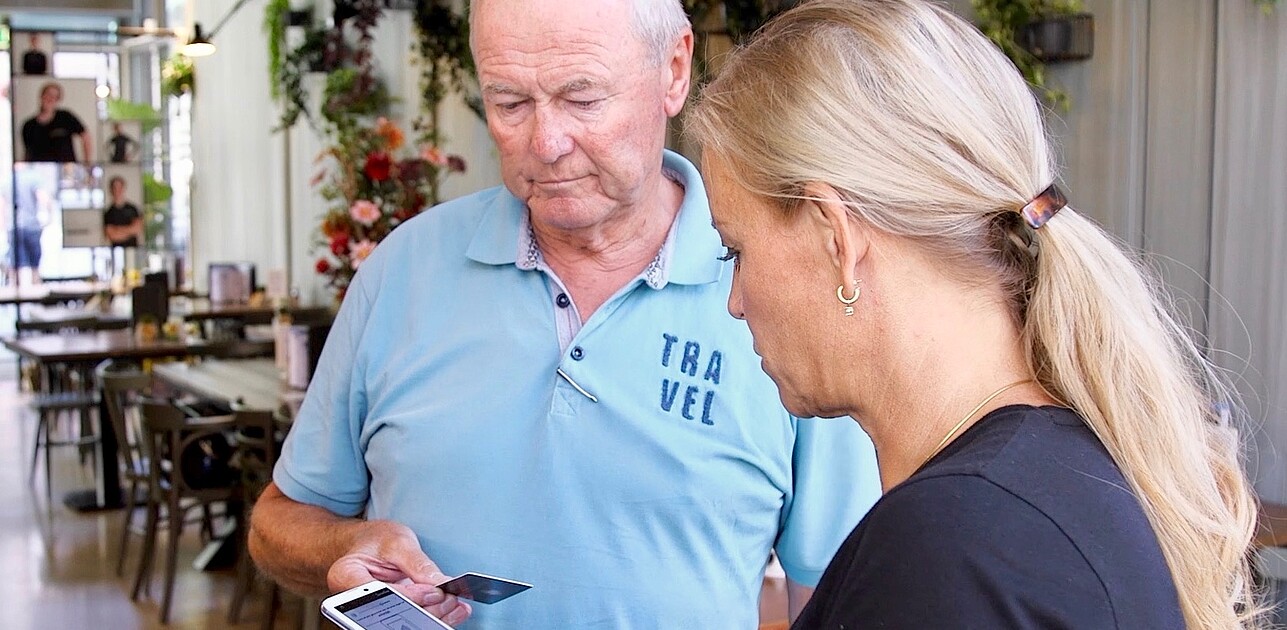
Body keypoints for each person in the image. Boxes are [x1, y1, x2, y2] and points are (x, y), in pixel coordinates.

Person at [249, 0, 880, 628]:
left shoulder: (784, 288)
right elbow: (279, 523)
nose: (545, 143)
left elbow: (837, 596)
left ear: (675, 70)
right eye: (509, 103)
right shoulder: (403, 270)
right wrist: (346, 547)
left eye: (583, 99)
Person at [687, 0, 1264, 628]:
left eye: (735, 249)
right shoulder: (1046, 483)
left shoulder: (953, 549)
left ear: (837, 239)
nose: (734, 299)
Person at [22, 82, 91, 164]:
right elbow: (27, 153)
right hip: (40, 171)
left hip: (66, 170)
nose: (50, 99)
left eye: (55, 97)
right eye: (48, 95)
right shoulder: (28, 125)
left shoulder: (65, 117)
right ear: (41, 96)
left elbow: (85, 136)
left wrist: (87, 164)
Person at [12, 163, 53, 285]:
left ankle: (15, 291)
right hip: (31, 226)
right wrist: (49, 218)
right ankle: (34, 290)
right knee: (35, 266)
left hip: (14, 227)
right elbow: (44, 199)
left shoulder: (8, 178)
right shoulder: (33, 177)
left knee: (15, 264)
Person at [102, 176, 143, 247]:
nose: (117, 190)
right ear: (111, 190)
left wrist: (118, 229)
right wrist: (130, 229)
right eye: (115, 188)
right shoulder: (108, 213)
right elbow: (112, 236)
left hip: (133, 250)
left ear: (123, 188)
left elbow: (137, 230)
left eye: (120, 187)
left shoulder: (133, 208)